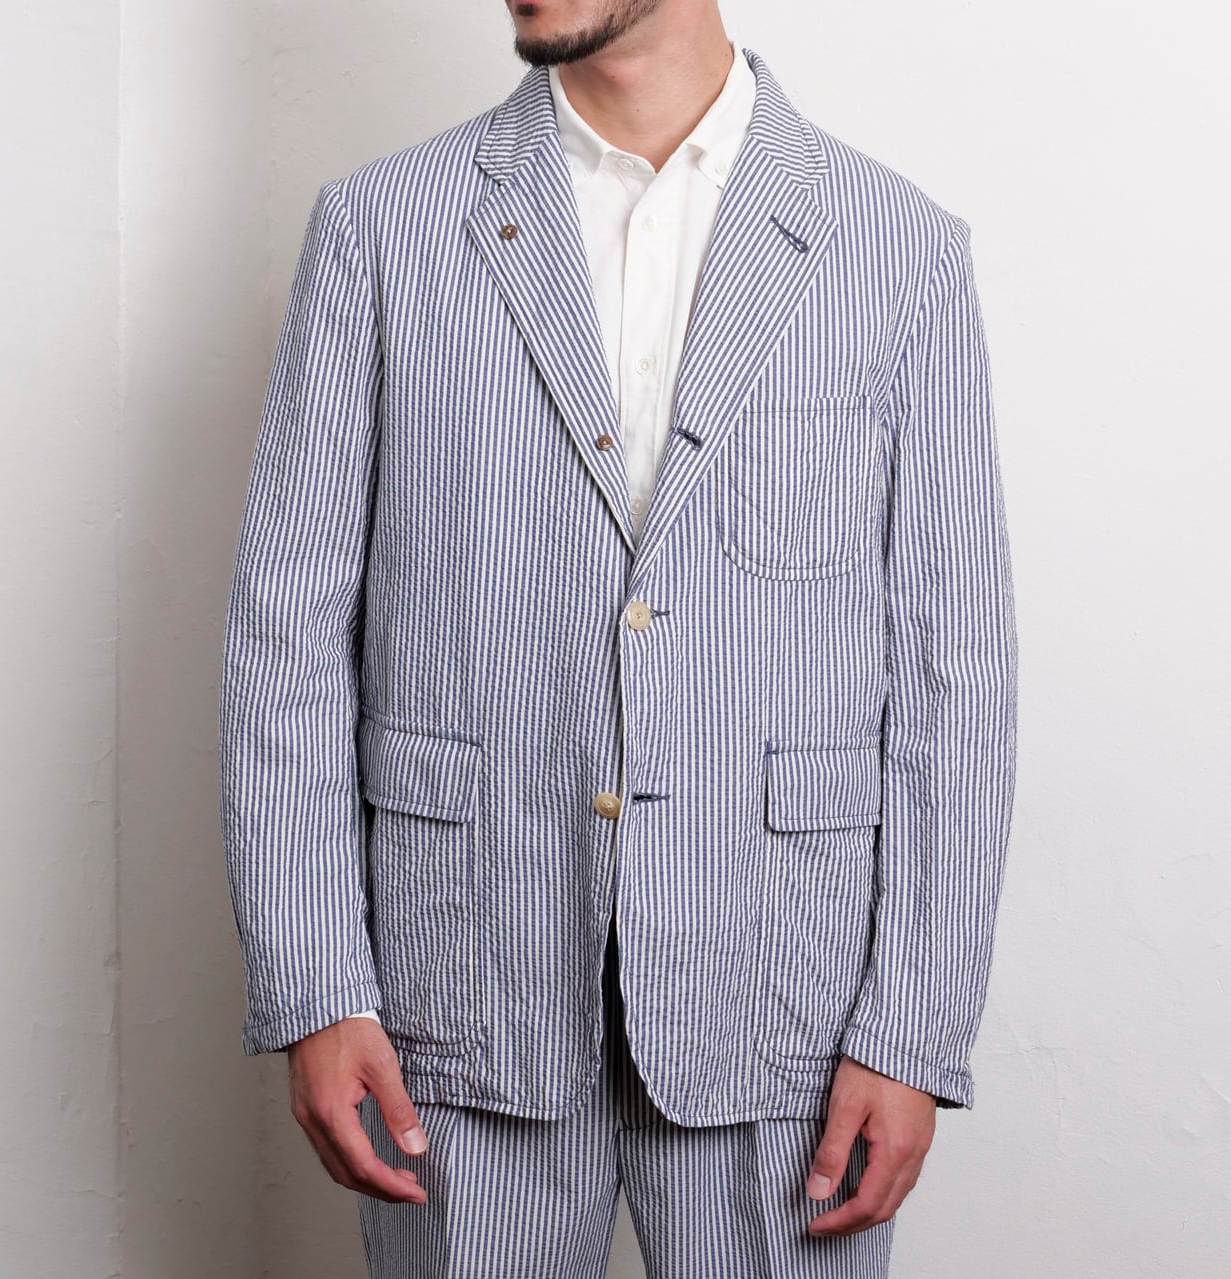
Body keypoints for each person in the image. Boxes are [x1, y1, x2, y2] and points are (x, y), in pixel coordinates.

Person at [218, 1, 1019, 1275]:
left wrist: (912, 1028)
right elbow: (287, 643)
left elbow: (951, 675)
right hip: (460, 979)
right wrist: (316, 985)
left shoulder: (896, 248)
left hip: (784, 996)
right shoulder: (382, 228)